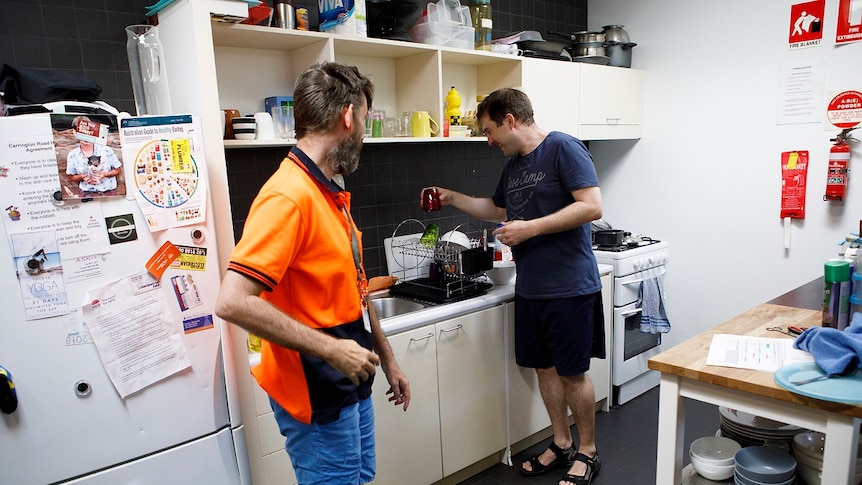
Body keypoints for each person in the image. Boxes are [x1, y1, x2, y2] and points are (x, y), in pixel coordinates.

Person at [215, 61, 410, 485]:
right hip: (315, 388)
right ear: (347, 117)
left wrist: (388, 359)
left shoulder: (329, 189)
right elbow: (231, 300)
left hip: (348, 380)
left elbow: (357, 288)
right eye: (364, 119)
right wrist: (334, 351)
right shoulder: (288, 196)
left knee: (359, 477)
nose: (363, 131)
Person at [426, 88, 605, 485]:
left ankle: (587, 451)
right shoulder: (515, 166)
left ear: (510, 120)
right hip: (532, 289)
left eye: (490, 131)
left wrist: (531, 228)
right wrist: (454, 197)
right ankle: (561, 443)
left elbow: (592, 205)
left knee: (573, 374)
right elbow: (498, 209)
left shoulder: (564, 149)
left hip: (570, 286)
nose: (489, 140)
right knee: (544, 369)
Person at [65, 116, 122, 197]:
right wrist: (82, 177)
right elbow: (71, 176)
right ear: (75, 133)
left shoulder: (106, 150)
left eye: (88, 131)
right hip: (87, 195)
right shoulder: (72, 155)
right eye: (82, 132)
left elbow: (118, 170)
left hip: (109, 194)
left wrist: (105, 174)